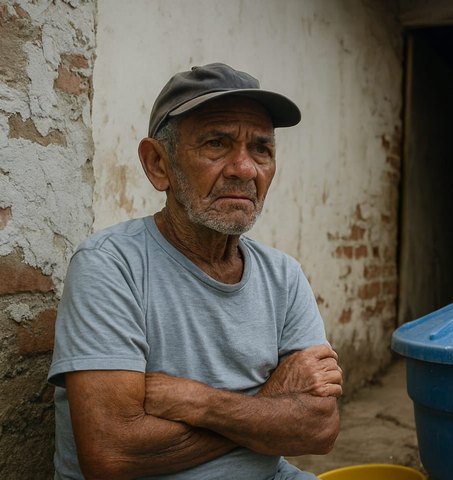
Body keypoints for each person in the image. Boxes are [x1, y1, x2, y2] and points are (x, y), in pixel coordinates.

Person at [47, 63, 343, 480]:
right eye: (216, 143)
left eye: (261, 148)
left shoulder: (283, 275)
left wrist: (201, 403)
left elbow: (320, 428)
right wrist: (272, 402)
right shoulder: (111, 265)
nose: (245, 169)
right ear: (158, 165)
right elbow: (112, 455)